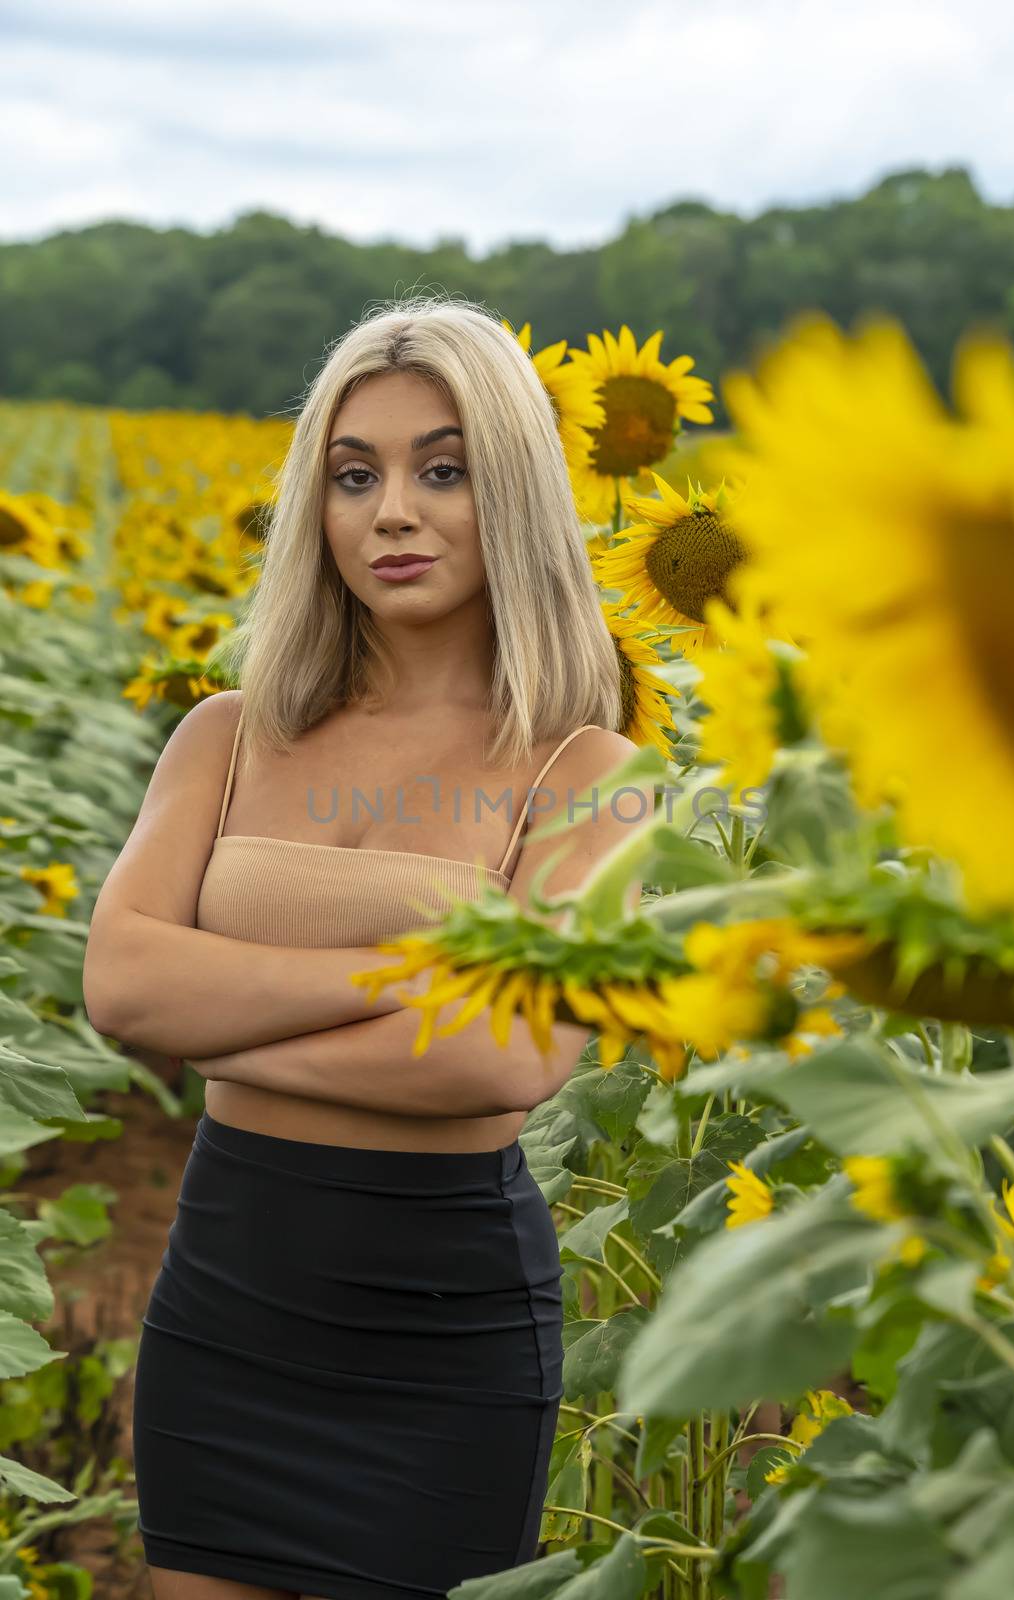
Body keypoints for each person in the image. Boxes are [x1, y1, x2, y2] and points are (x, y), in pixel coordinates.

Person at [83, 294, 651, 1600]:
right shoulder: (225, 736)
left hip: (440, 1338)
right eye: (355, 474)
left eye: (442, 469)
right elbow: (122, 985)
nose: (392, 510)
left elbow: (505, 1060)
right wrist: (410, 993)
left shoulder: (593, 773)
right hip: (225, 1303)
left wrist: (228, 1023)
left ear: (510, 491)